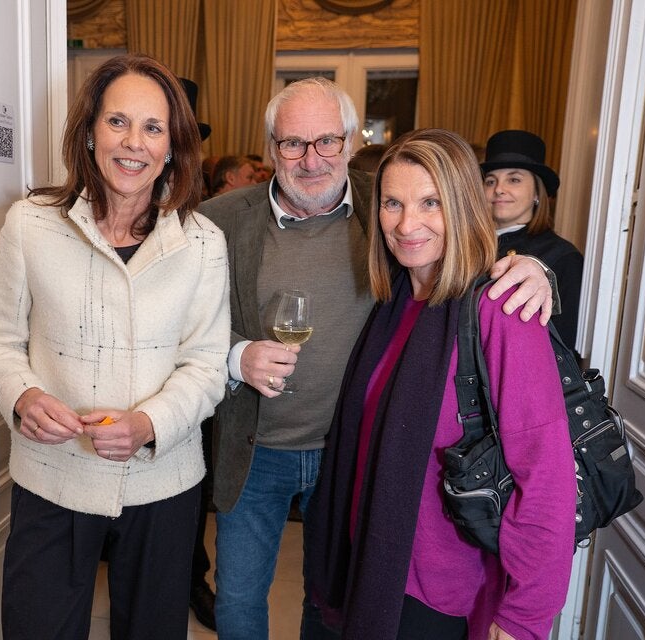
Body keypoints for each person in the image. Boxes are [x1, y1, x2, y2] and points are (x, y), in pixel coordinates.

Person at [197, 77, 556, 640]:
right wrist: (236, 355)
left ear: (348, 141)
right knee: (243, 597)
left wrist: (536, 268)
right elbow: (178, 323)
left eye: (328, 141)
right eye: (293, 143)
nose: (311, 159)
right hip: (261, 446)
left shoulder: (388, 211)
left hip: (353, 462)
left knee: (325, 595)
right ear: (271, 149)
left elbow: (543, 474)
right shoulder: (219, 220)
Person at [0, 53, 230, 640]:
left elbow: (207, 365)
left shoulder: (202, 242)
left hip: (162, 485)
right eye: (118, 122)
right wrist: (22, 394)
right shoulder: (31, 223)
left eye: (153, 128)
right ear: (89, 131)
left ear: (173, 147)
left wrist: (148, 423)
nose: (132, 142)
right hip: (53, 479)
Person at [305, 128, 576, 640]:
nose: (407, 223)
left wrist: (525, 616)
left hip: (443, 592)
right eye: (392, 202)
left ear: (463, 208)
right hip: (375, 563)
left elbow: (546, 475)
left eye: (430, 202)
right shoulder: (393, 304)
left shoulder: (501, 310)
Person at [482, 129, 584, 350]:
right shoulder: (467, 247)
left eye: (514, 179)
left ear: (537, 193)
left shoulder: (564, 257)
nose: (498, 189)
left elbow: (561, 346)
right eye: (490, 181)